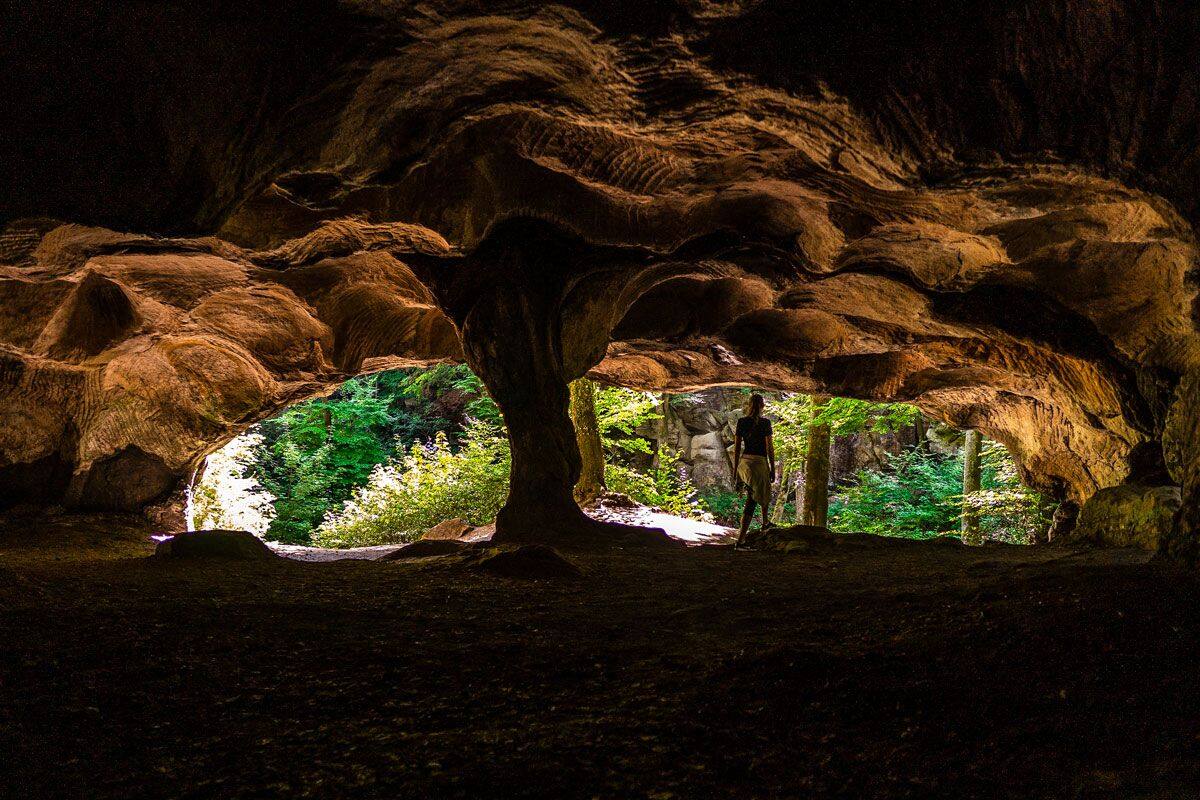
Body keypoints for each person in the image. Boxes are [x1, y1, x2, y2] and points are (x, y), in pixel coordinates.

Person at [733, 393, 775, 547]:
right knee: (754, 498)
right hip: (759, 463)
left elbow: (737, 448)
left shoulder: (741, 422)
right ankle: (740, 540)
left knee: (761, 492)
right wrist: (773, 468)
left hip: (745, 463)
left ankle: (765, 522)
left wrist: (735, 470)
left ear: (749, 405)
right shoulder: (765, 423)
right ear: (762, 406)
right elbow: (769, 448)